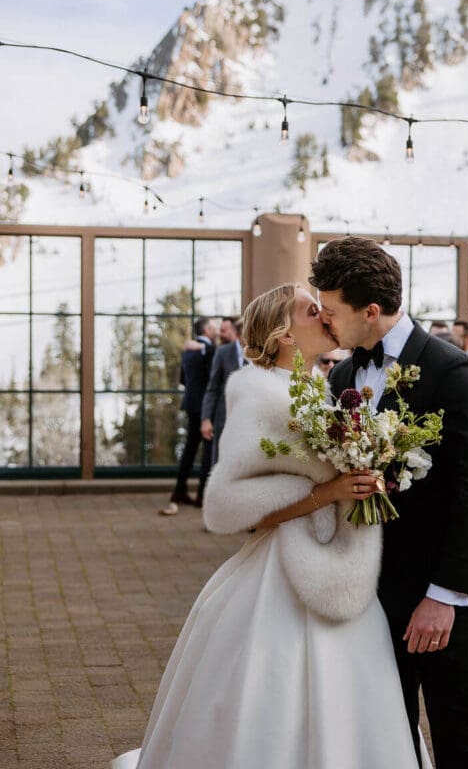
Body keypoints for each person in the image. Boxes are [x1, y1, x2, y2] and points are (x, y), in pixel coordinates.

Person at [113, 284, 425, 769]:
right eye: (311, 309)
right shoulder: (258, 392)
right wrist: (331, 493)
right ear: (283, 333)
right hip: (282, 572)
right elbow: (230, 506)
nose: (324, 314)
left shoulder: (323, 385)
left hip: (340, 566)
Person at [310, 236, 468, 769]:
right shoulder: (343, 376)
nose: (325, 323)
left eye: (332, 312)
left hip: (441, 592)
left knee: (456, 731)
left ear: (371, 311)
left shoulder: (454, 371)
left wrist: (443, 595)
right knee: (384, 734)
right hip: (370, 591)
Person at [160, 317, 217, 516]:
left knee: (190, 448)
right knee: (208, 449)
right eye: (213, 327)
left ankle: (179, 491)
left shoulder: (188, 351)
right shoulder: (207, 350)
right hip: (206, 406)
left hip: (191, 403)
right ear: (207, 330)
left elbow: (183, 379)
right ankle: (202, 495)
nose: (216, 330)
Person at [200, 317, 244, 465]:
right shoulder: (223, 352)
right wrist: (206, 419)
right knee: (220, 462)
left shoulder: (258, 353)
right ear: (239, 334)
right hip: (223, 416)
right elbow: (212, 388)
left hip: (247, 418)